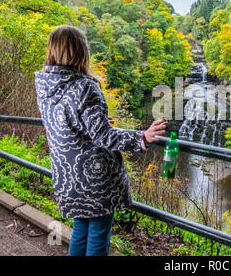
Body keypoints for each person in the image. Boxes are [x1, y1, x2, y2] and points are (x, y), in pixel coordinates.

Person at [34, 25, 167, 256]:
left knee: (80, 230)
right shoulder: (85, 86)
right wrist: (142, 137)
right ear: (81, 51)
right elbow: (103, 136)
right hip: (94, 179)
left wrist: (96, 120)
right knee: (97, 235)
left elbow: (66, 123)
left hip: (68, 175)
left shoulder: (46, 85)